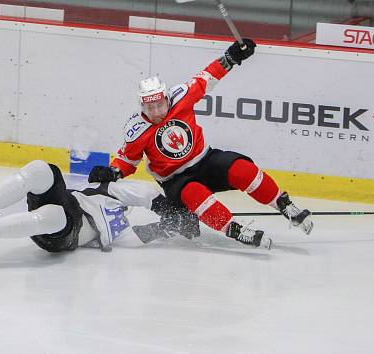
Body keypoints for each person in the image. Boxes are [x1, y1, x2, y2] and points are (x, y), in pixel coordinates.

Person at [87, 38, 313, 250]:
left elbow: (208, 77)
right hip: (176, 180)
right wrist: (112, 172)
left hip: (205, 159)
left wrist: (231, 57)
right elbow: (128, 160)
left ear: (166, 97)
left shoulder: (181, 96)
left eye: (159, 105)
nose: (155, 112)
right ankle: (235, 230)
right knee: (195, 193)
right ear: (142, 106)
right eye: (149, 108)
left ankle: (286, 206)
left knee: (242, 169)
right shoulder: (137, 129)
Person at [0, 160, 201, 251]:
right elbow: (145, 194)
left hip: (66, 233)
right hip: (68, 201)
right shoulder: (110, 190)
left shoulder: (123, 230)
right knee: (42, 169)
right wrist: (173, 214)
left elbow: (138, 236)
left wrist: (169, 227)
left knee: (53, 215)